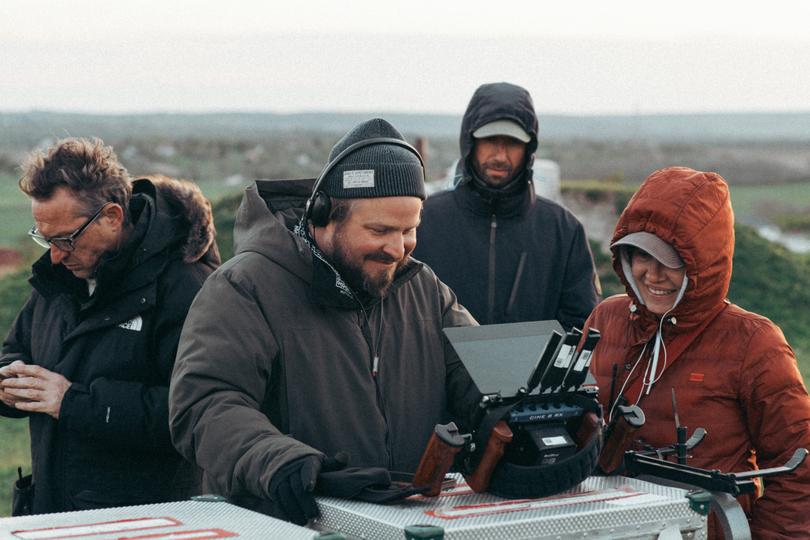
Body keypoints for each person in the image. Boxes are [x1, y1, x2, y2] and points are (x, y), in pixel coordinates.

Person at [169, 118, 481, 525]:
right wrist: (283, 463)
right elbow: (204, 404)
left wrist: (528, 421)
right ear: (323, 217)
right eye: (380, 230)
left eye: (409, 230)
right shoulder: (243, 287)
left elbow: (483, 377)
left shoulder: (425, 289)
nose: (396, 248)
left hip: (408, 523)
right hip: (288, 525)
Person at [586, 166, 810, 538]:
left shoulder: (753, 341)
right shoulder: (606, 318)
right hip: (604, 529)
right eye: (641, 256)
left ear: (703, 265)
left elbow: (799, 471)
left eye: (670, 261)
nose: (653, 275)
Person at [0, 139, 220, 514]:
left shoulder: (187, 288)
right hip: (53, 511)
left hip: (143, 522)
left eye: (66, 238)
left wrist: (74, 403)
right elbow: (16, 349)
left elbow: (198, 415)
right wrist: (9, 386)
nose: (54, 254)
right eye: (46, 238)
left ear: (113, 216)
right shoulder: (60, 273)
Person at [413, 82, 599, 329]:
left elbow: (582, 326)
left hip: (535, 369)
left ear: (529, 148)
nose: (500, 155)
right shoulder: (423, 222)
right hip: (437, 369)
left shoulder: (563, 230)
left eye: (512, 143)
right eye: (490, 140)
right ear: (470, 142)